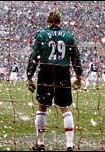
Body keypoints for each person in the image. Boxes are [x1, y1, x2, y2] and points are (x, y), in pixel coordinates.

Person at [26, 11, 83, 151]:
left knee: (42, 107)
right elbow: (76, 57)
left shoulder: (41, 35)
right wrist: (79, 75)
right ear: (60, 21)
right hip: (62, 72)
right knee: (65, 109)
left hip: (45, 72)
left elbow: (34, 57)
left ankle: (40, 143)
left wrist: (29, 76)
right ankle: (69, 144)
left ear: (47, 20)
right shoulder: (69, 36)